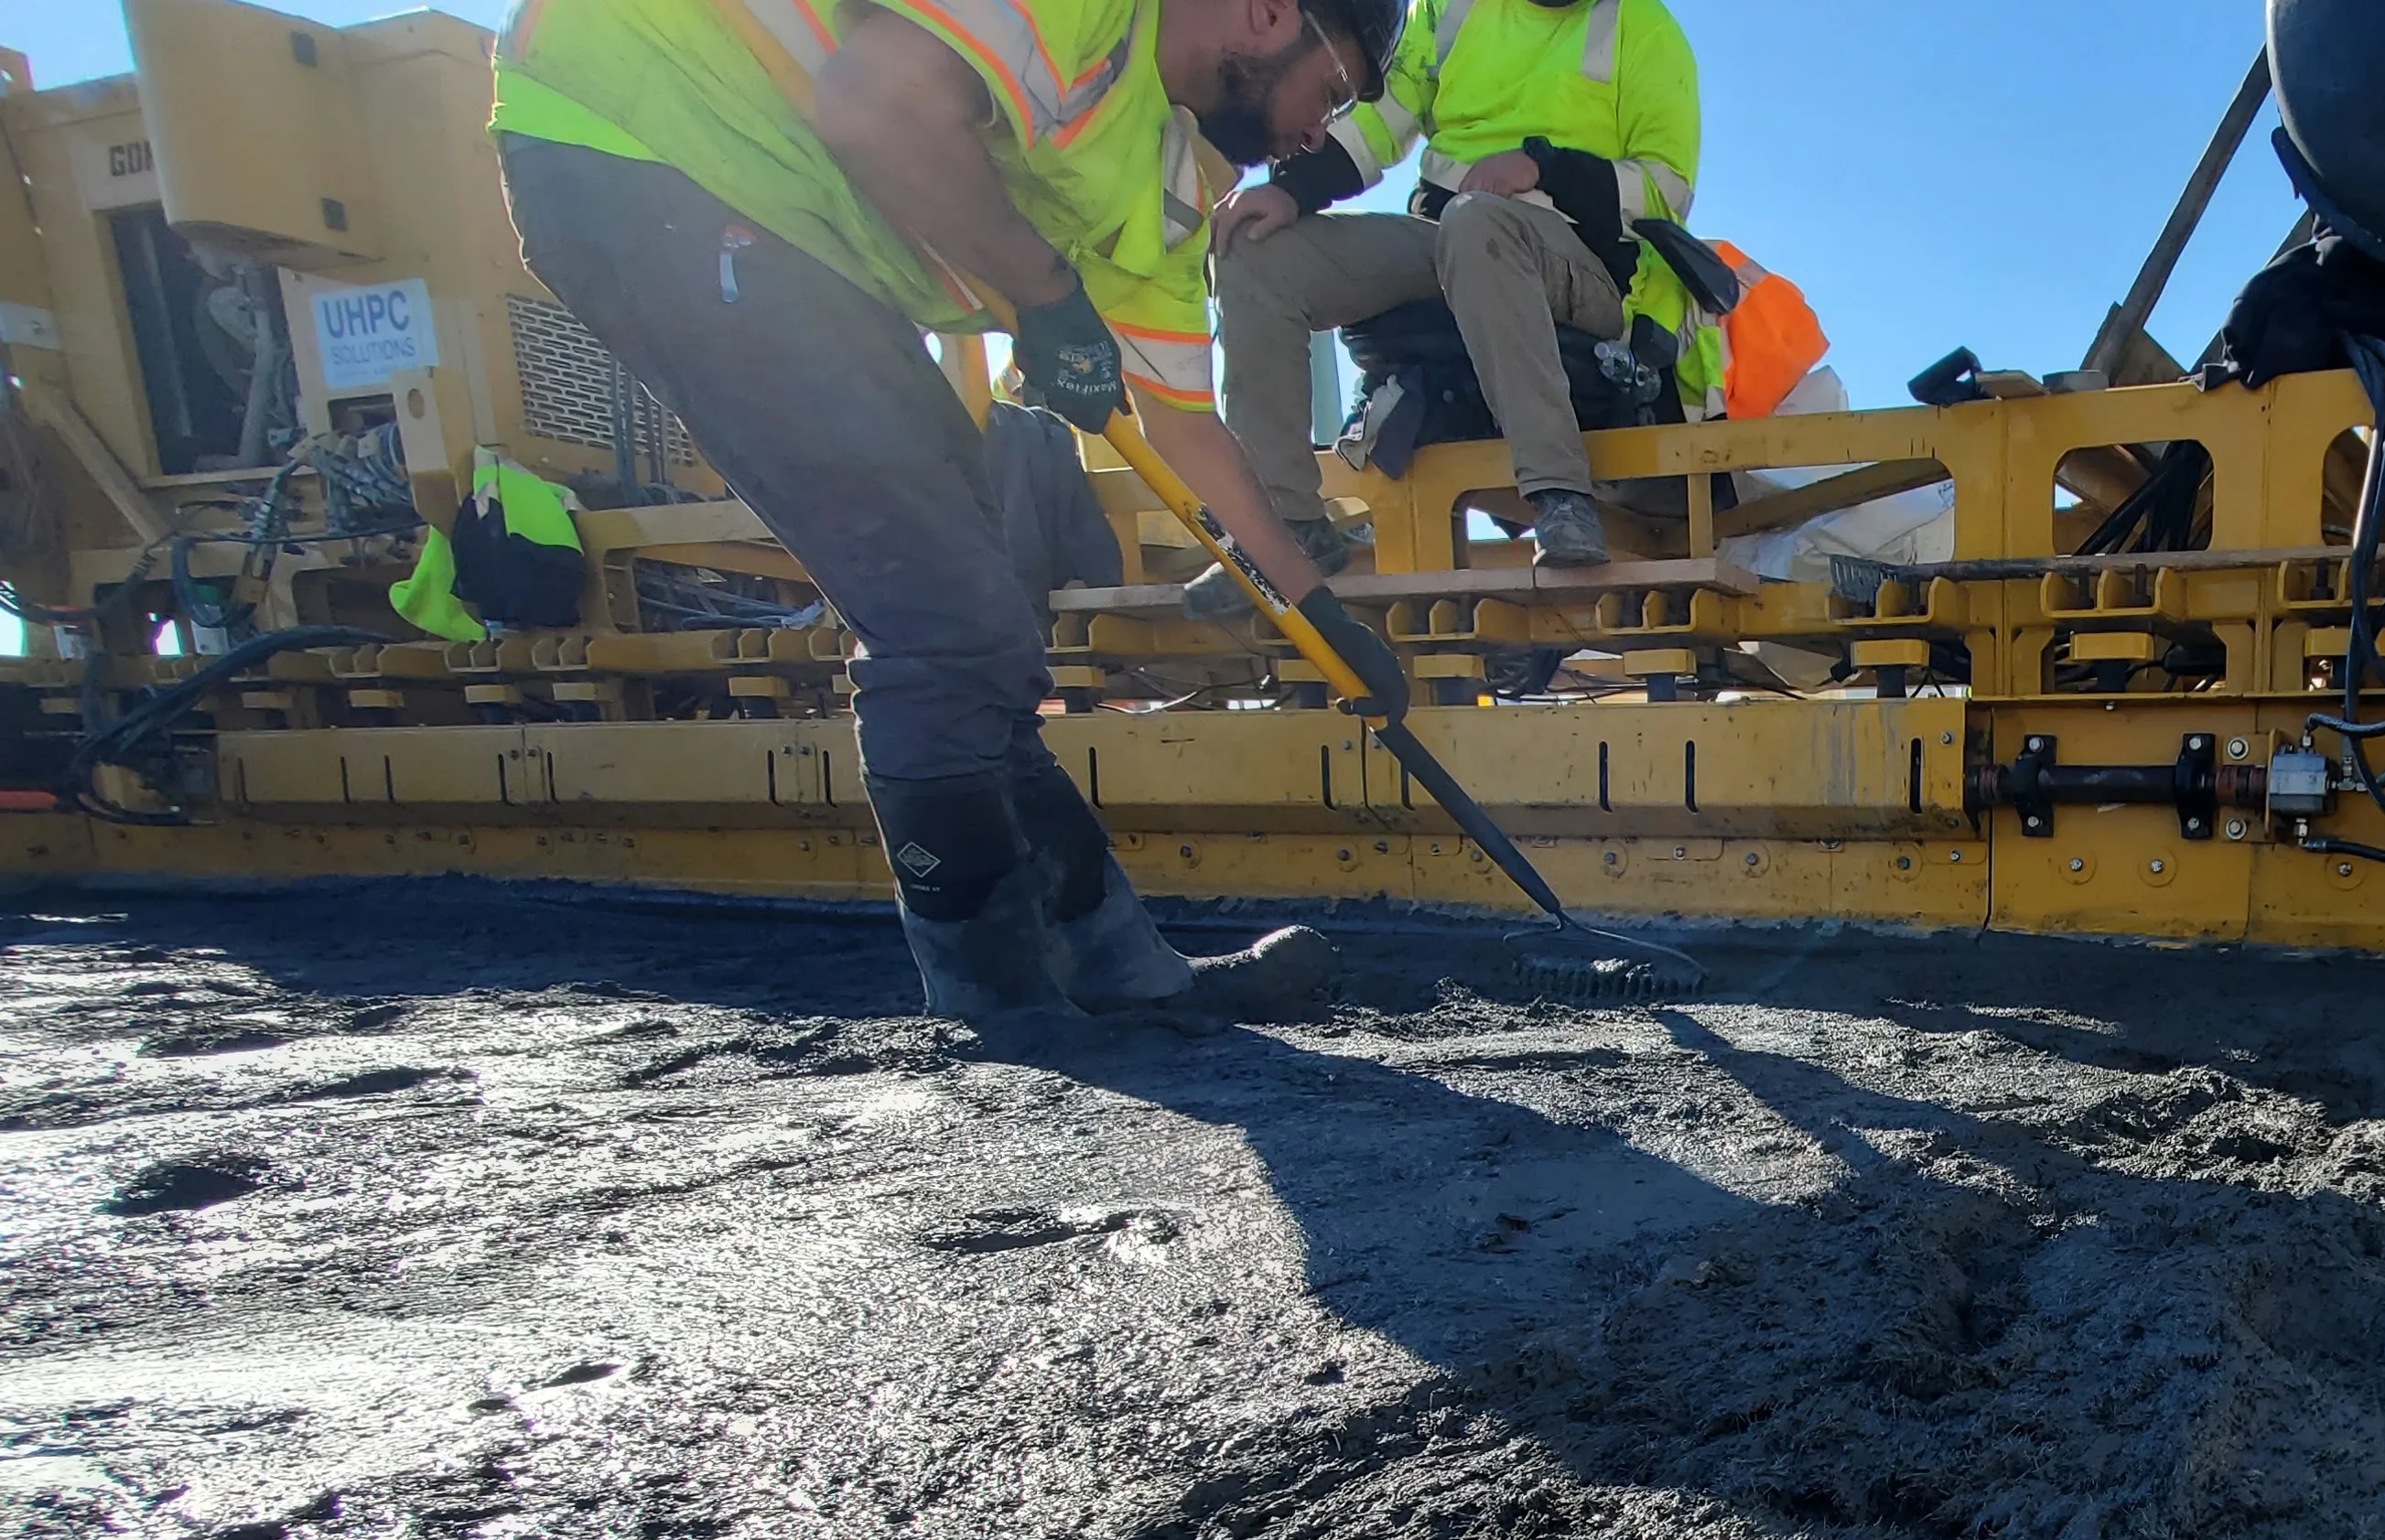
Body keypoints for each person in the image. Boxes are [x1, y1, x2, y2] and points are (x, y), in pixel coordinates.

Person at [488, 0, 1386, 1025]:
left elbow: (1184, 429)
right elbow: (876, 104)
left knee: (987, 609)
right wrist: (1044, 292)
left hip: (795, 223)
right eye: (1332, 92)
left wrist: (1320, 615)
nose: (1320, 134)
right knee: (941, 617)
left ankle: (1113, 968)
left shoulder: (1165, 182)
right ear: (1268, 15)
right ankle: (1000, 1006)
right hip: (655, 144)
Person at [1198, 0, 1706, 588]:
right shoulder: (1449, 10)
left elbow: (1665, 191)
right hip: (1446, 239)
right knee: (1255, 249)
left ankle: (1562, 497)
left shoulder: (1645, 28)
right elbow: (1379, 118)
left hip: (1578, 262)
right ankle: (1280, 531)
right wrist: (1291, 192)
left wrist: (1543, 168)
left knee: (1477, 222)